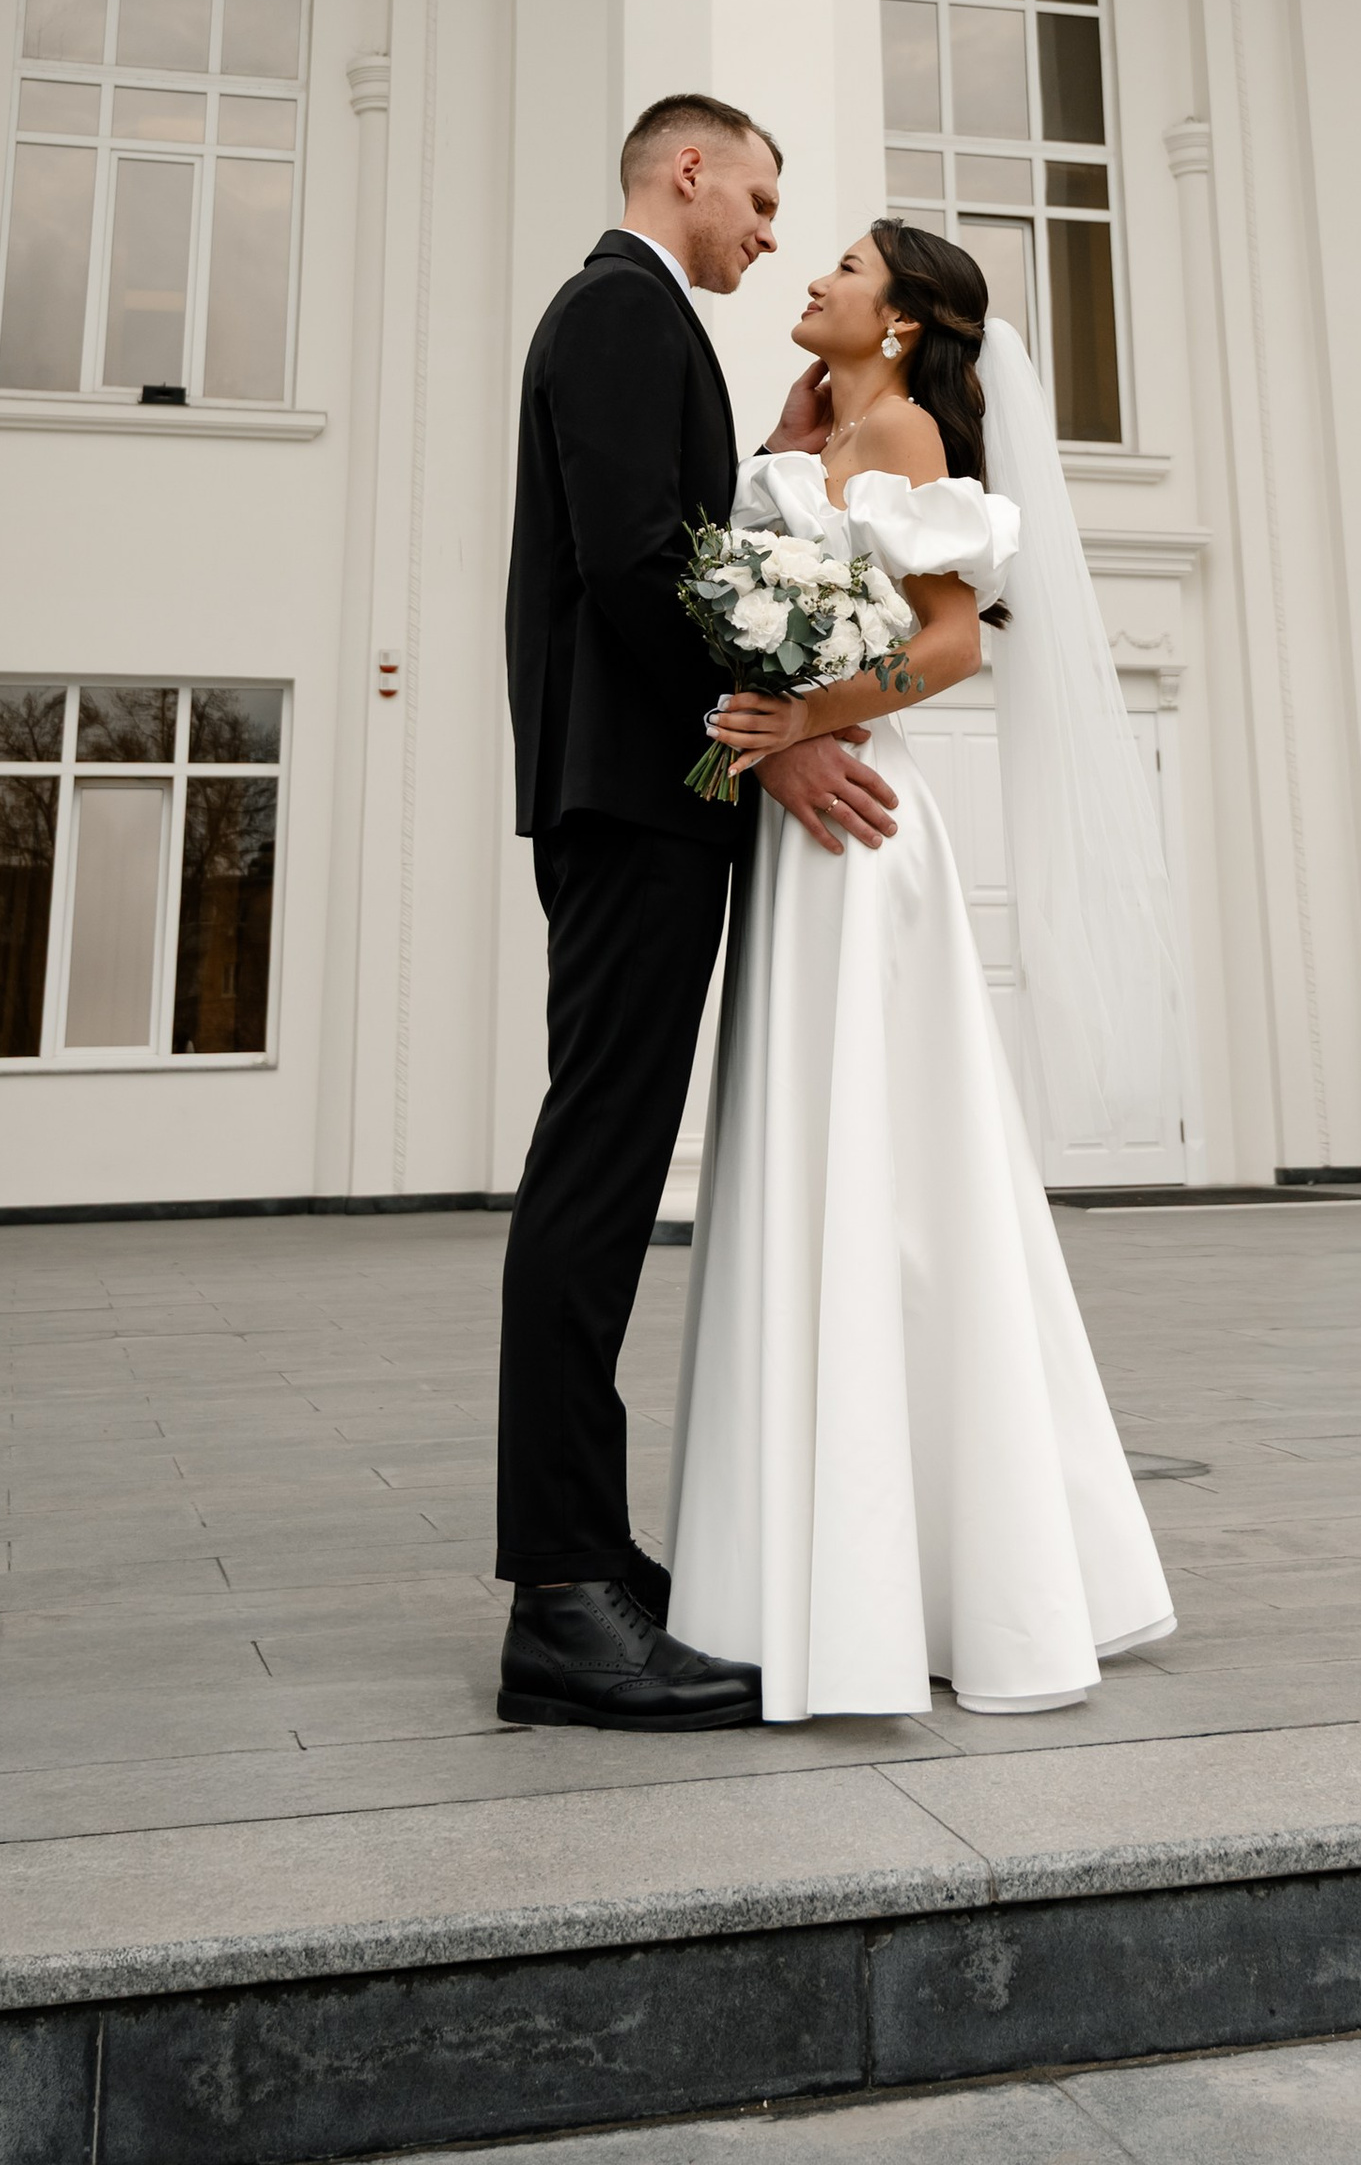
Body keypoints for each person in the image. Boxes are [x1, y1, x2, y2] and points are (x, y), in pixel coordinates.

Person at [667, 223, 1176, 1720]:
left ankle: (933, 1580)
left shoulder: (902, 429)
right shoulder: (818, 423)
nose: (811, 279)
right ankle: (812, 1571)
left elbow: (950, 642)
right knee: (816, 1173)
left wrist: (797, 720)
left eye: (841, 267)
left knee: (890, 1188)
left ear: (897, 319)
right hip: (794, 837)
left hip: (860, 837)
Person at [496, 93, 900, 1732]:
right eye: (760, 195)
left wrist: (782, 474)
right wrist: (773, 739)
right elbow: (629, 564)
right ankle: (561, 1602)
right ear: (690, 170)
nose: (770, 231)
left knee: (605, 1172)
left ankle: (592, 1554)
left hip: (652, 803)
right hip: (631, 802)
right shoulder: (615, 307)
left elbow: (677, 541)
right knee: (592, 1181)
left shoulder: (649, 322)